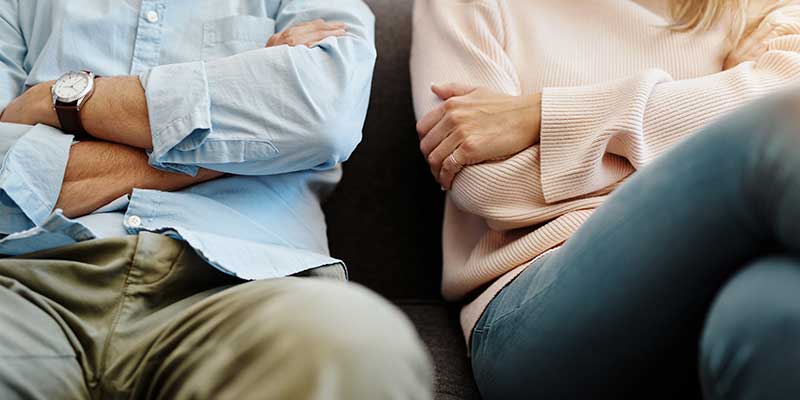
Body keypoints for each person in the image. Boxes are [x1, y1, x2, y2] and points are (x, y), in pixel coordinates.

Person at [0, 1, 432, 399]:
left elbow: (323, 117)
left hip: (245, 287)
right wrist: (250, 136)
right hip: (30, 281)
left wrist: (60, 100)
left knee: (360, 344)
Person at [411, 0, 800, 398]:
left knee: (776, 313)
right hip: (536, 304)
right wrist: (692, 131)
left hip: (724, 274)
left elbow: (788, 89)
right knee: (775, 128)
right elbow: (490, 187)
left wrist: (544, 117)